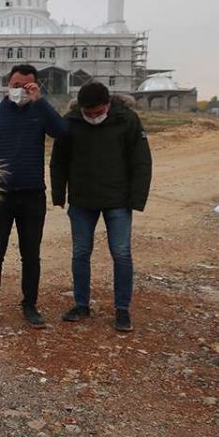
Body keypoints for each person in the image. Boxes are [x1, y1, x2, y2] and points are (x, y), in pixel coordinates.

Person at [0, 64, 69, 329]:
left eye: (27, 86)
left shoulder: (40, 113)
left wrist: (41, 101)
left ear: (35, 86)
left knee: (31, 254)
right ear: (7, 85)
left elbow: (62, 133)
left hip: (33, 195)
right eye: (16, 85)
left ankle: (30, 305)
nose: (20, 91)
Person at [50, 82, 152, 332]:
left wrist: (136, 199)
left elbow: (141, 160)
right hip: (82, 199)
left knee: (121, 253)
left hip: (118, 200)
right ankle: (81, 304)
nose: (94, 117)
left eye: (98, 112)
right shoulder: (71, 122)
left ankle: (122, 309)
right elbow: (59, 160)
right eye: (89, 114)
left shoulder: (127, 119)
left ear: (107, 105)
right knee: (81, 253)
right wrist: (58, 193)